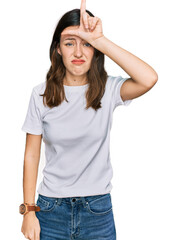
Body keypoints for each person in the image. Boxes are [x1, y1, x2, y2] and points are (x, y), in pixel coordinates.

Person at [20, 0, 158, 239]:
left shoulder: (108, 89)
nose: (78, 52)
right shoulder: (40, 94)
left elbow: (149, 79)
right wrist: (28, 211)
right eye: (69, 43)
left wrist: (100, 39)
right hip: (51, 210)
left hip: (97, 211)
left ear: (95, 52)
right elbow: (31, 155)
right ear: (58, 49)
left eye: (86, 44)